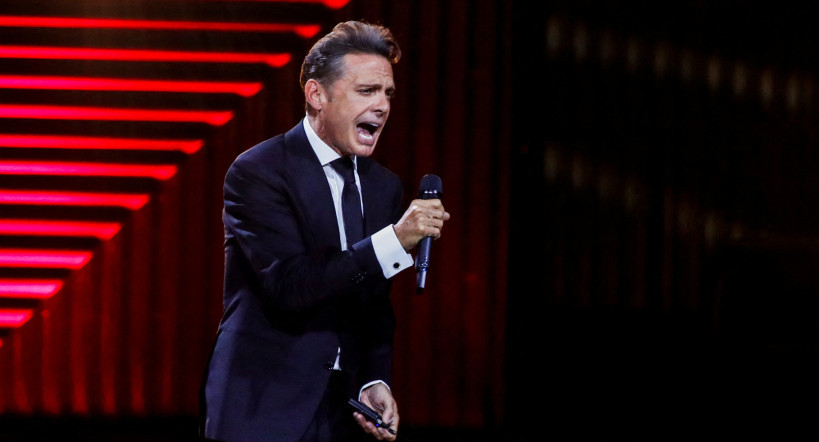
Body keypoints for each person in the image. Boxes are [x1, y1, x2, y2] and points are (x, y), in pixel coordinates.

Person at [201, 21, 450, 442]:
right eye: (367, 91)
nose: (383, 106)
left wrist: (375, 379)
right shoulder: (259, 172)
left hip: (343, 414)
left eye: (387, 93)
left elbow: (373, 306)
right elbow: (291, 285)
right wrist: (391, 241)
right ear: (316, 95)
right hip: (262, 403)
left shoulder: (382, 186)